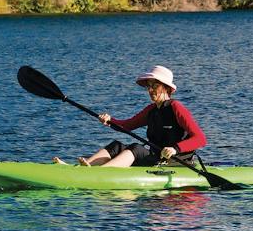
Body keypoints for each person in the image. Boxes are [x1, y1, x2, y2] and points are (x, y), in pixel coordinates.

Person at [65, 65, 206, 167]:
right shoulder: (151, 110)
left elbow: (200, 139)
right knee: (116, 146)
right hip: (156, 158)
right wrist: (110, 120)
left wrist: (175, 148)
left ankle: (100, 173)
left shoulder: (176, 108)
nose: (150, 90)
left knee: (136, 148)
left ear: (166, 88)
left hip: (175, 161)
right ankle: (84, 167)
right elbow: (126, 126)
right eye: (148, 86)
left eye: (155, 86)